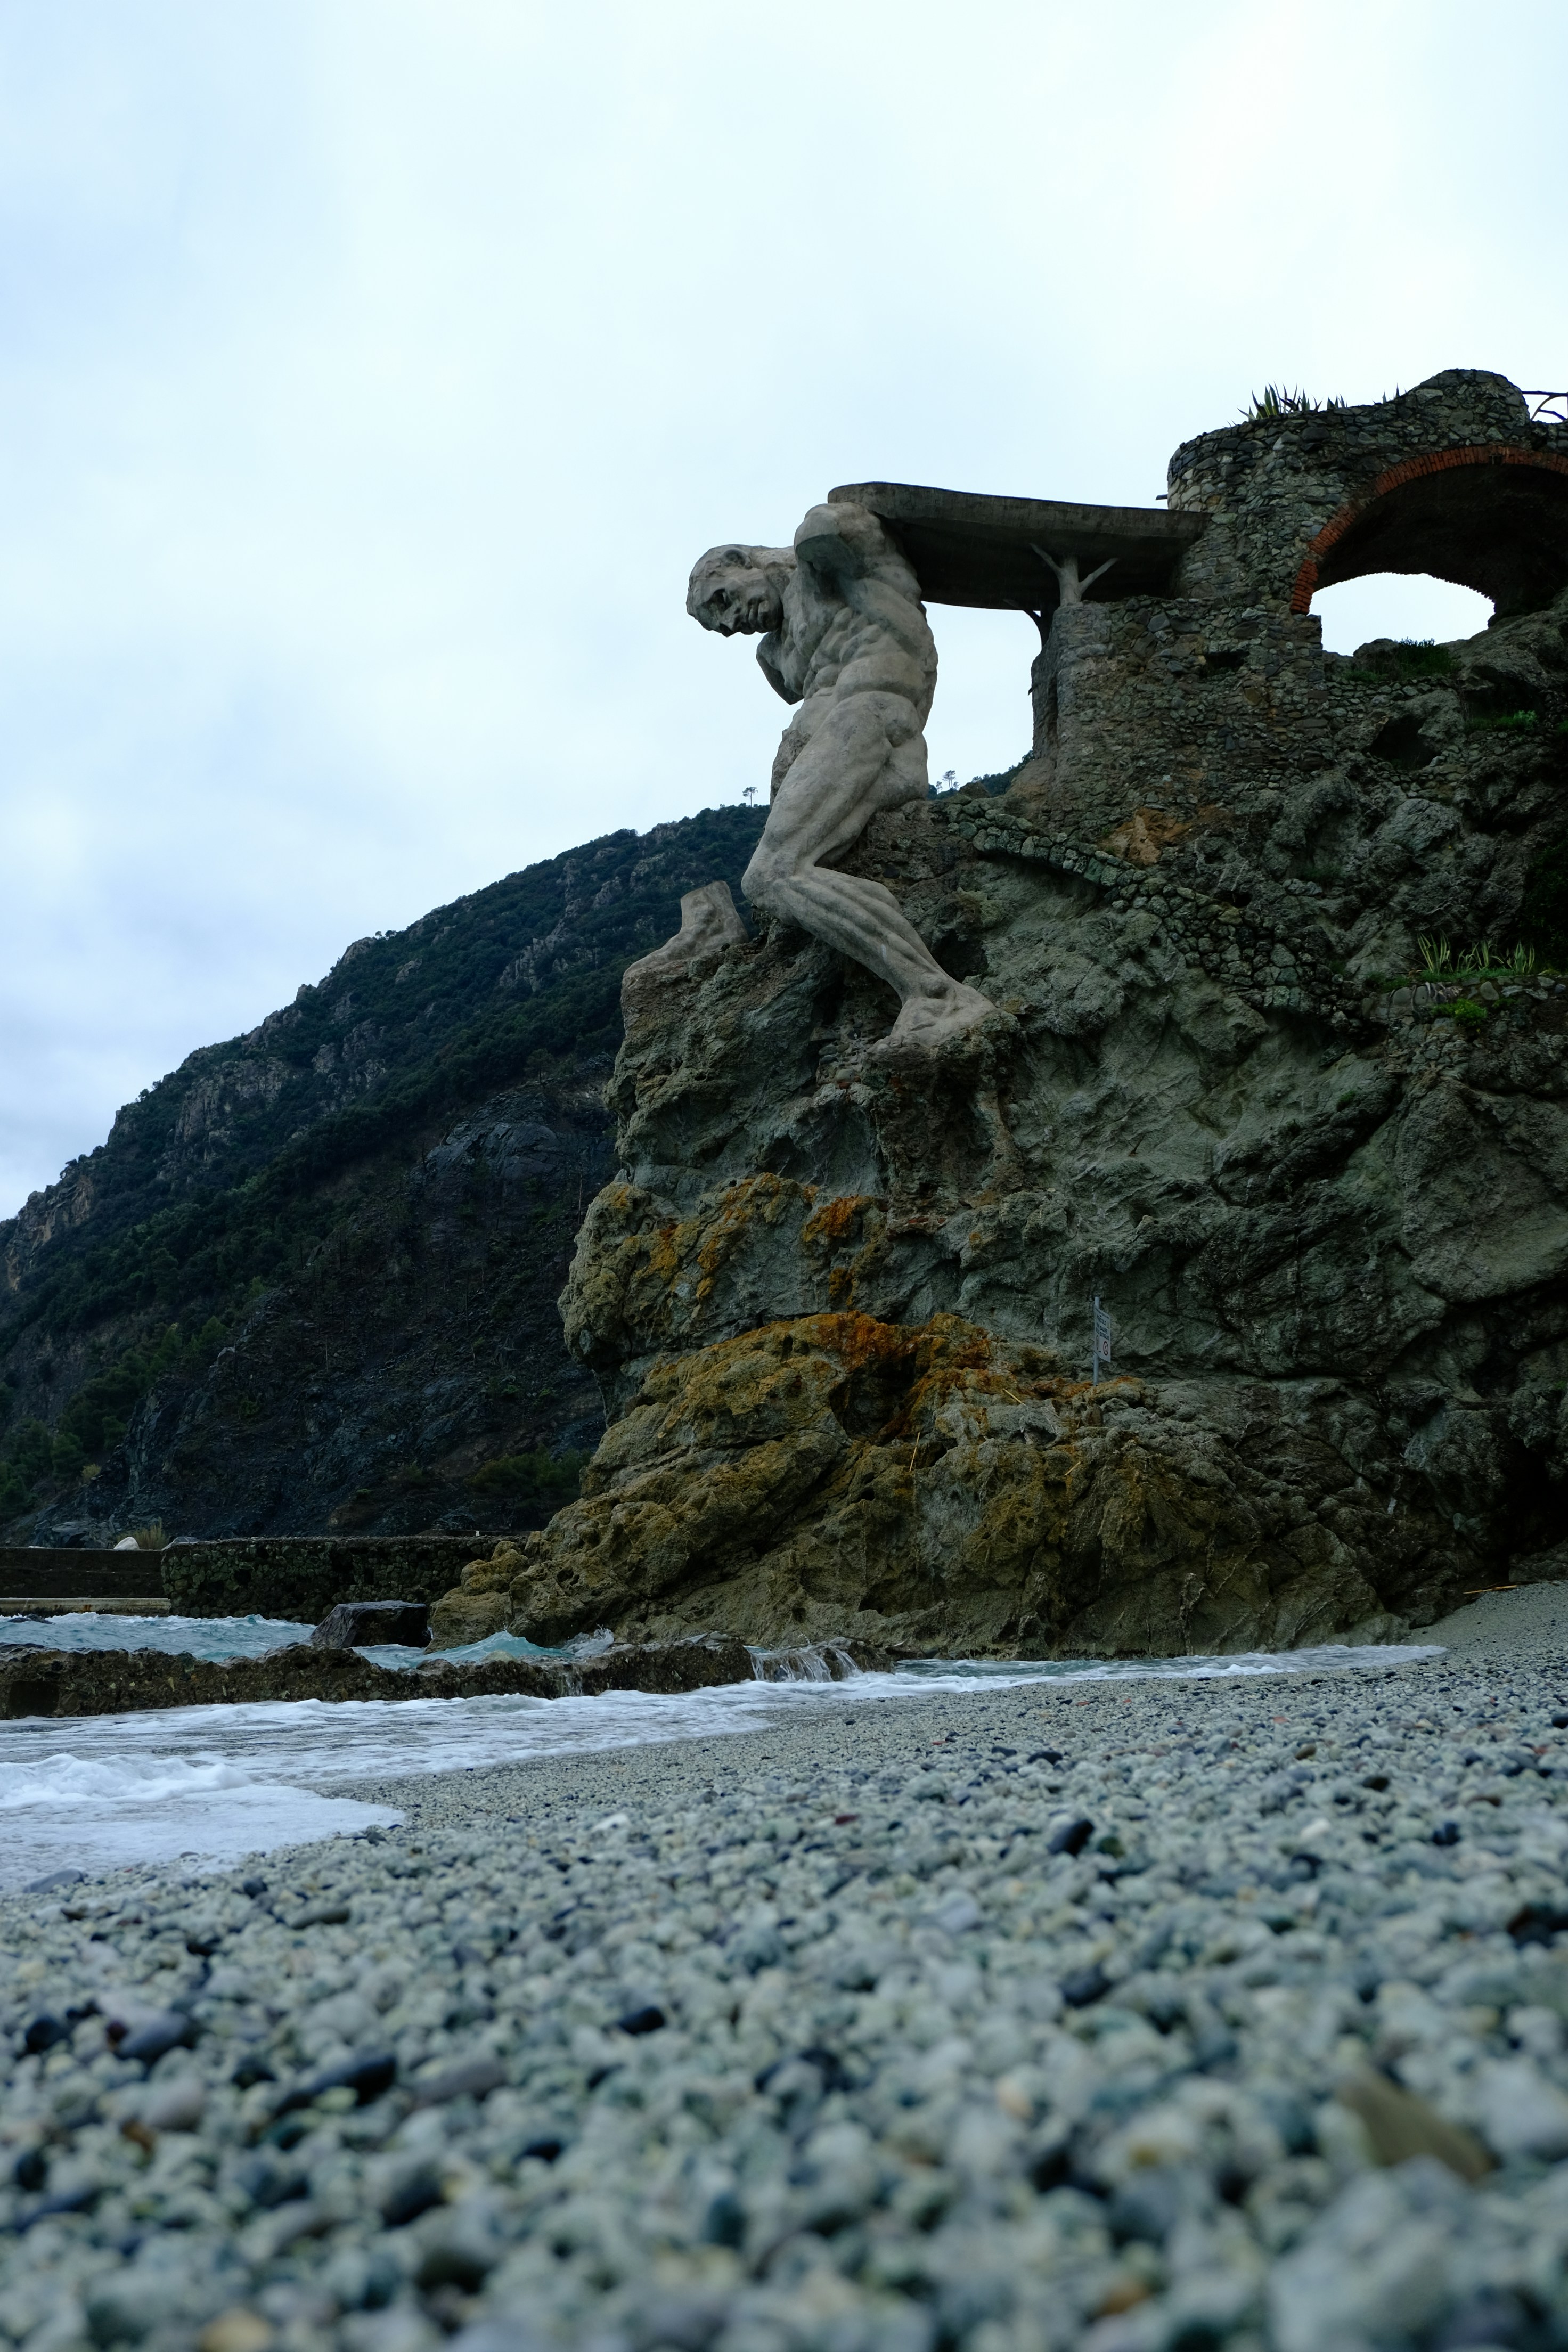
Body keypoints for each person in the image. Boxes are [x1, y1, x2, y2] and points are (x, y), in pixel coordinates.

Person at [685, 500, 995, 1051]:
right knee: (779, 876)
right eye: (721, 627)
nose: (733, 622)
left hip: (876, 720)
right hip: (840, 747)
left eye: (724, 599)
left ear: (742, 561)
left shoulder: (825, 563)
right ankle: (924, 988)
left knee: (772, 874)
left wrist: (790, 552)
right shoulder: (776, 656)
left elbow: (838, 523)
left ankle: (937, 995)